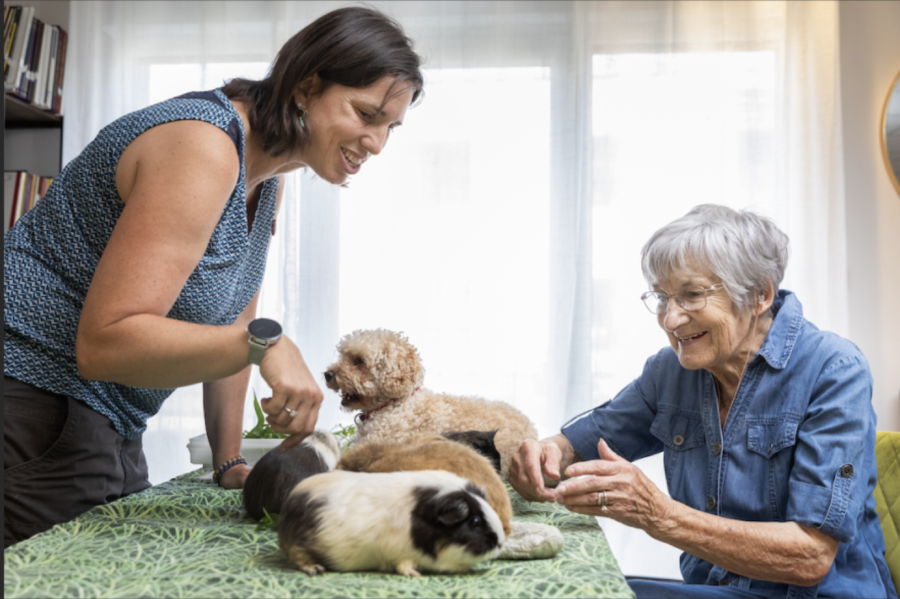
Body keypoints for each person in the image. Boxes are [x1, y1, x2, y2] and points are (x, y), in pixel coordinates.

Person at [3, 6, 423, 548]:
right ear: (306, 86)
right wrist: (265, 347)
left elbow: (234, 317)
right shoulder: (202, 145)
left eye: (390, 127)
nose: (377, 143)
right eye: (365, 114)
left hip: (103, 417)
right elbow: (105, 341)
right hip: (32, 396)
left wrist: (228, 461)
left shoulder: (268, 174)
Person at [509, 205, 898, 598]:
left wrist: (656, 513)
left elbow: (811, 556)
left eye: (692, 295)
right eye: (662, 297)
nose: (670, 320)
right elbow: (580, 444)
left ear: (760, 294)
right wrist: (546, 453)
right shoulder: (669, 371)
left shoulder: (834, 369)